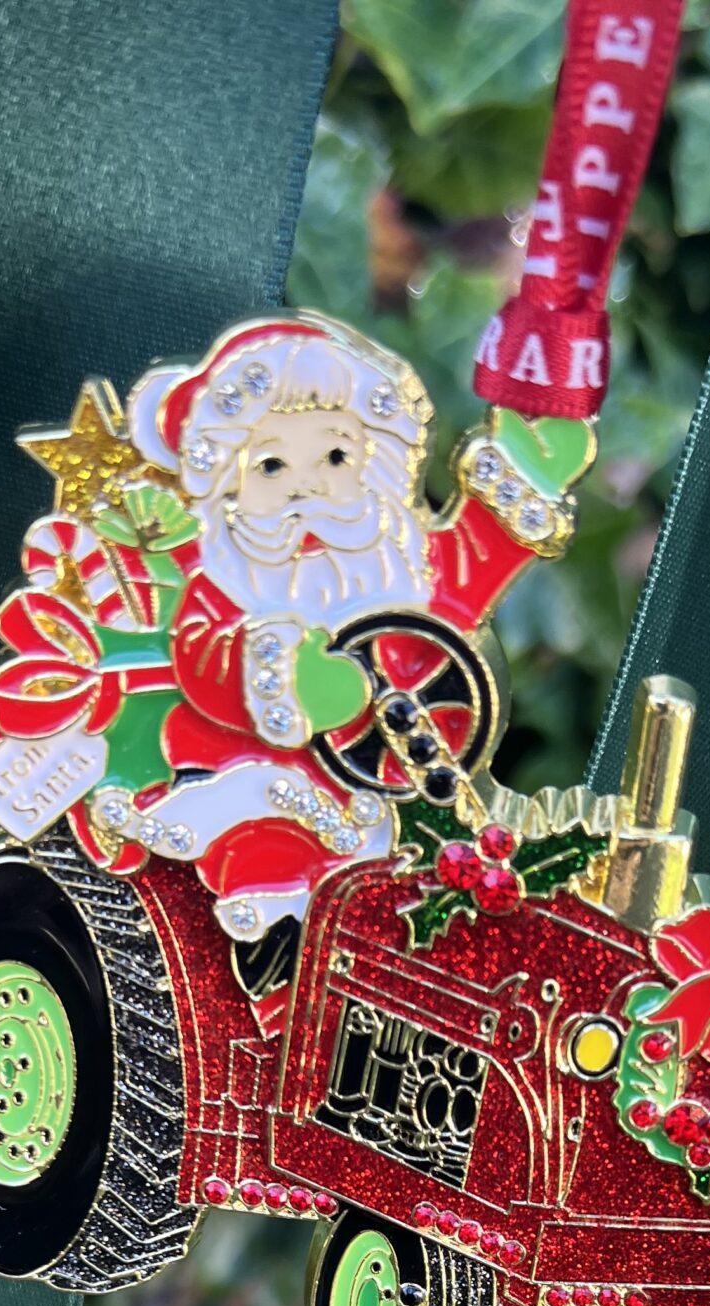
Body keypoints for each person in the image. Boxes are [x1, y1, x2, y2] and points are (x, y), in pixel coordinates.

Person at [83, 313, 593, 943]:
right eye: (271, 466)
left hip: (383, 802)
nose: (307, 486)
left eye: (333, 455)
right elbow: (204, 658)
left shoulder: (403, 568)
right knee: (261, 827)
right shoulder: (226, 583)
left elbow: (473, 563)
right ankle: (266, 913)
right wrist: (284, 677)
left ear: (370, 461)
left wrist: (522, 483)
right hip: (244, 769)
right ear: (229, 486)